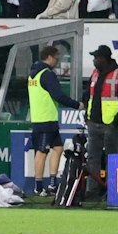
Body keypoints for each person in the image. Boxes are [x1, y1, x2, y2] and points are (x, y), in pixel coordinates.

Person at [26, 45, 76, 193]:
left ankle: (53, 184)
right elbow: (58, 95)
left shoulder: (32, 75)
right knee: (42, 152)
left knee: (58, 148)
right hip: (45, 119)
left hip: (42, 118)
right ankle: (38, 187)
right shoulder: (47, 74)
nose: (57, 61)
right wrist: (76, 105)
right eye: (56, 58)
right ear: (49, 57)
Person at [85, 44, 118, 200]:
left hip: (111, 125)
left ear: (103, 59)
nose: (94, 61)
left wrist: (116, 122)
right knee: (93, 158)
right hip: (94, 122)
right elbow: (88, 95)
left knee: (111, 158)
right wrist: (87, 116)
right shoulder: (95, 74)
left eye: (96, 58)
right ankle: (92, 190)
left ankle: (112, 190)